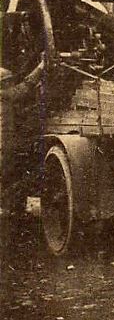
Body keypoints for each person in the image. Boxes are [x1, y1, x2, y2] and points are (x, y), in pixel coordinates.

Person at [1, 62, 43, 222]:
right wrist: (40, 67)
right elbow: (24, 88)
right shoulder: (5, 95)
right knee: (11, 176)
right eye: (8, 82)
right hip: (5, 145)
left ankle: (11, 209)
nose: (12, 84)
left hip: (5, 144)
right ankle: (10, 211)